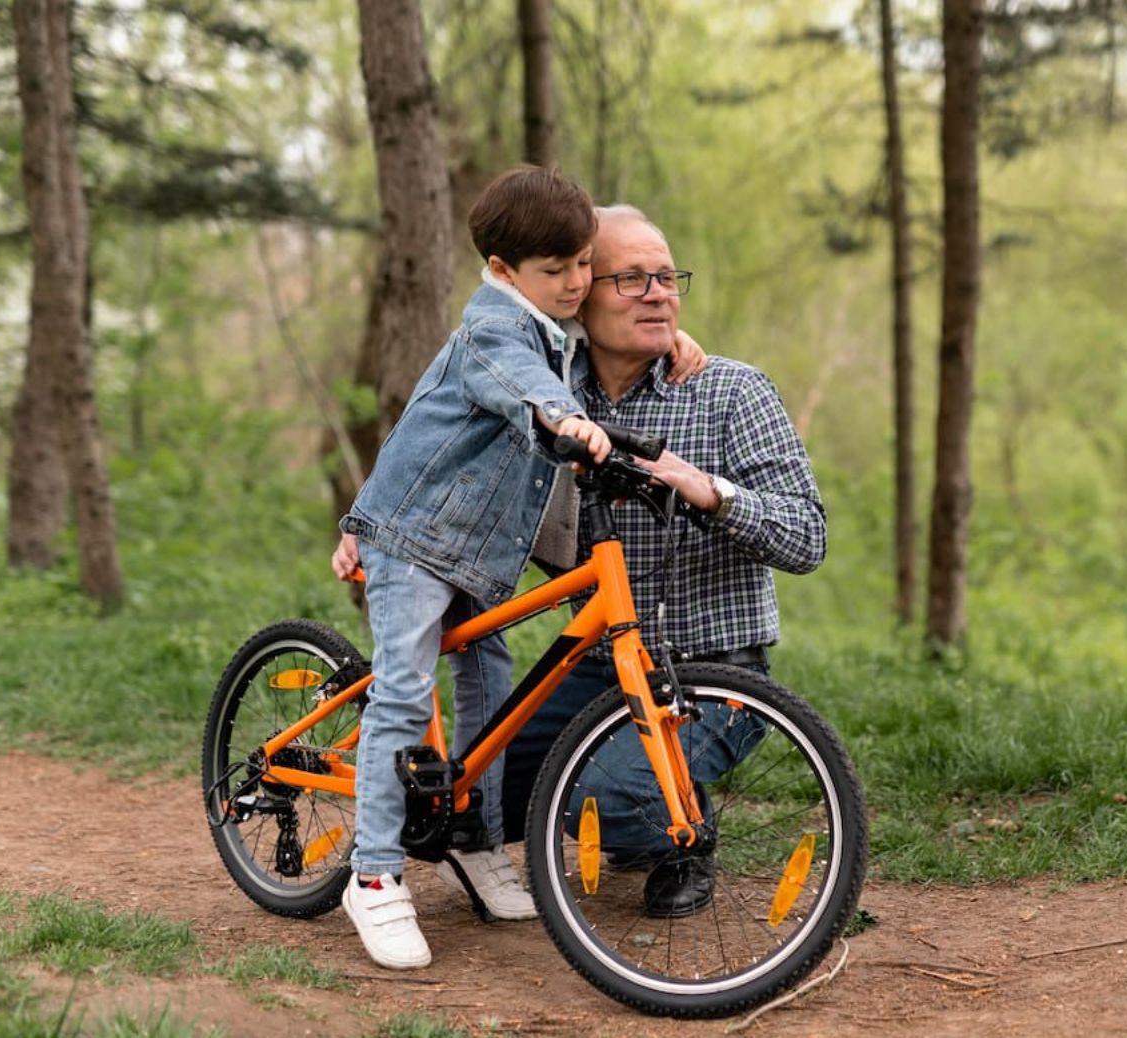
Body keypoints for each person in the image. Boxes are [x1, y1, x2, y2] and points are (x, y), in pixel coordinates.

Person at [499, 205, 827, 917]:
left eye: (667, 278)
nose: (660, 294)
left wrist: (709, 491)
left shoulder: (731, 392)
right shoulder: (550, 388)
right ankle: (639, 801)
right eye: (632, 280)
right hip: (593, 668)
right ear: (580, 292)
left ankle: (681, 831)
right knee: (476, 795)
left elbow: (808, 538)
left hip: (710, 675)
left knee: (595, 797)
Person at [328, 165, 616, 972]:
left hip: (476, 554)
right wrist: (563, 416)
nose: (575, 283)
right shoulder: (493, 329)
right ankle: (375, 873)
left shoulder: (557, 324)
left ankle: (474, 839)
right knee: (404, 689)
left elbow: (581, 341)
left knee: (493, 693)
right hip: (417, 541)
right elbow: (516, 383)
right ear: (502, 272)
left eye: (582, 264)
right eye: (555, 272)